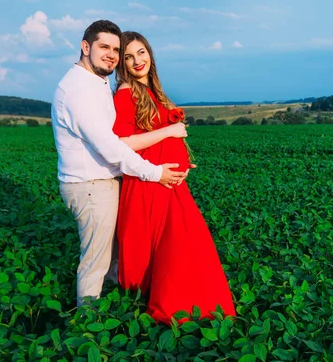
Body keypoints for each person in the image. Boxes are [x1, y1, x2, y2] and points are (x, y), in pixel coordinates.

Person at [51, 20, 190, 308]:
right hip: (90, 186)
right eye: (105, 47)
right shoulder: (78, 90)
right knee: (96, 262)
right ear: (85, 46)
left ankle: (115, 310)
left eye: (116, 49)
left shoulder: (96, 82)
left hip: (105, 182)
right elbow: (112, 145)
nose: (112, 55)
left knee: (115, 256)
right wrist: (155, 173)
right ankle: (87, 327)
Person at [112, 31, 236, 323]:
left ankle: (191, 303)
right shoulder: (126, 93)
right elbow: (122, 143)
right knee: (173, 244)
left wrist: (181, 162)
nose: (136, 61)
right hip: (149, 183)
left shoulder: (154, 91)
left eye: (141, 52)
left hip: (169, 182)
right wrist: (169, 131)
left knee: (183, 243)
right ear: (122, 65)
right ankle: (169, 306)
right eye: (128, 57)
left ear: (150, 54)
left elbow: (153, 138)